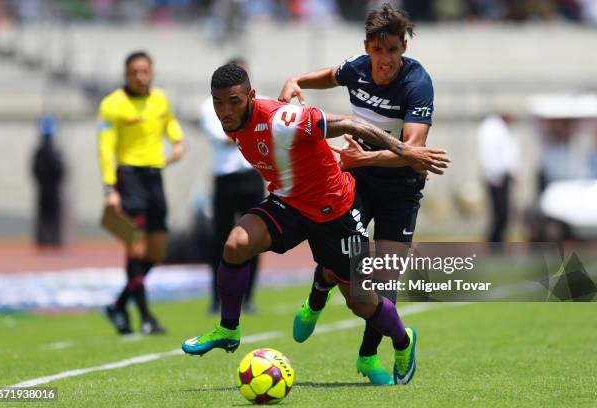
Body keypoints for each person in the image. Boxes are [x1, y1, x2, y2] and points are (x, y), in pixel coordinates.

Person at [181, 64, 449, 386]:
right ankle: (228, 329)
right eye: (218, 102)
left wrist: (404, 149)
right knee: (236, 244)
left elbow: (353, 123)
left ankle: (403, 340)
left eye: (234, 101)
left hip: (334, 211)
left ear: (251, 96)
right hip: (289, 204)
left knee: (361, 301)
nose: (225, 110)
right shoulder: (232, 122)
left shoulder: (282, 121)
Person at [278, 4, 434, 384]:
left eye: (394, 50)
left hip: (400, 187)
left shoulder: (417, 83)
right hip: (357, 178)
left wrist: (364, 157)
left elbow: (412, 152)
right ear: (368, 48)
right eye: (378, 51)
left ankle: (368, 358)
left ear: (404, 48)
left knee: (383, 280)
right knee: (341, 261)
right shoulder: (358, 68)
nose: (386, 60)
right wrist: (295, 80)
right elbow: (331, 75)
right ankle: (318, 295)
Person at [98, 51, 186, 335]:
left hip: (154, 178)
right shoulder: (112, 105)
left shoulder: (160, 99)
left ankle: (118, 306)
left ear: (152, 72)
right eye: (134, 71)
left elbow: (169, 122)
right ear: (126, 74)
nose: (139, 76)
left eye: (144, 71)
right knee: (136, 248)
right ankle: (146, 317)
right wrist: (110, 188)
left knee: (157, 253)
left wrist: (178, 141)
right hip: (129, 178)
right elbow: (105, 148)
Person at [201, 57, 265, 315]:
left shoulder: (261, 104)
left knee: (255, 239)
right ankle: (217, 298)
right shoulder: (210, 105)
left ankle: (248, 297)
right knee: (220, 240)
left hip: (252, 175)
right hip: (225, 177)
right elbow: (227, 133)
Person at [477, 113, 518, 242]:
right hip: (496, 177)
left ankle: (497, 242)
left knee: (502, 213)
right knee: (500, 213)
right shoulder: (493, 130)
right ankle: (495, 242)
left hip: (499, 176)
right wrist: (494, 175)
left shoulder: (497, 130)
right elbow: (492, 155)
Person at [32, 115, 65, 247]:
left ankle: (50, 238)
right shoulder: (43, 152)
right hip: (46, 187)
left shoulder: (48, 152)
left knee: (49, 214)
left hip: (50, 187)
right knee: (47, 214)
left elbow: (60, 170)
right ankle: (47, 239)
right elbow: (36, 170)